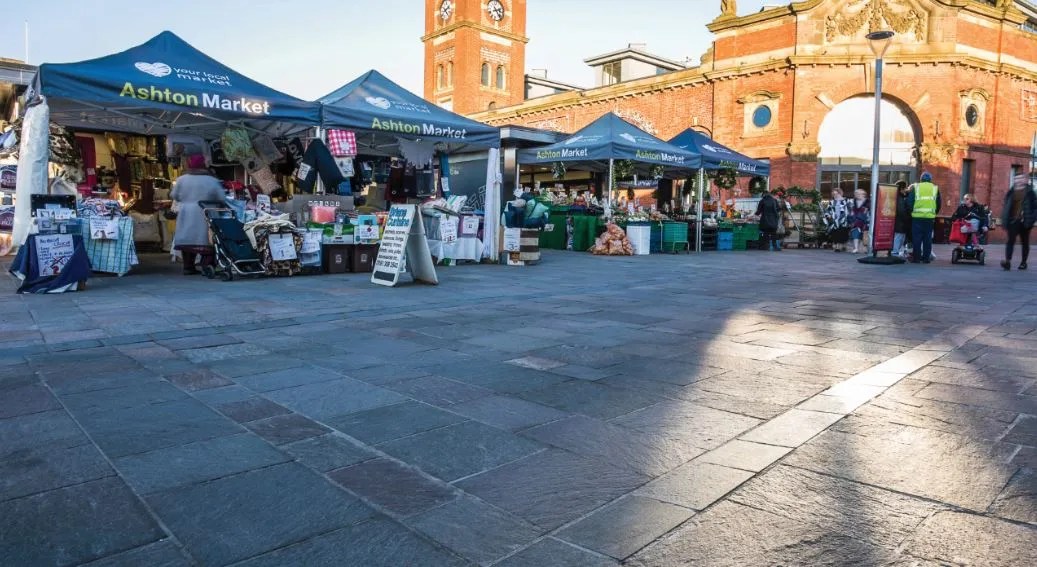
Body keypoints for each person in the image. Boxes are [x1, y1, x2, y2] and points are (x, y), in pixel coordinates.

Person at [170, 154, 225, 275]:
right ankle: (207, 265)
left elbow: (174, 196)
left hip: (186, 213)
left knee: (188, 239)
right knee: (207, 240)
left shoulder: (181, 179)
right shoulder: (212, 180)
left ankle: (188, 267)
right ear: (204, 165)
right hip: (206, 211)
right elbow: (221, 197)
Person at [1000, 174, 1037, 271]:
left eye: (1021, 178)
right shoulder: (1011, 192)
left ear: (1025, 180)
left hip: (1025, 221)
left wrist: (1032, 218)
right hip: (1013, 220)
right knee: (1010, 241)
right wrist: (1005, 219)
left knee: (1025, 242)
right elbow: (1006, 206)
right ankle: (1007, 262)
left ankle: (1023, 262)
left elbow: (1035, 207)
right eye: (1017, 178)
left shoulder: (1030, 192)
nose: (1018, 180)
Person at [908, 171, 940, 263]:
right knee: (927, 238)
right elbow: (938, 203)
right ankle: (926, 258)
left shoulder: (916, 187)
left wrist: (911, 212)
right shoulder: (935, 188)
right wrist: (933, 213)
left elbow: (910, 202)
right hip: (929, 218)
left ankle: (916, 258)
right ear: (930, 179)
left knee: (916, 238)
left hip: (917, 217)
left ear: (921, 179)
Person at [822, 187, 851, 252]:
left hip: (844, 220)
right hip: (835, 220)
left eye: (836, 194)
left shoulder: (847, 201)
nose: (835, 196)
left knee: (843, 232)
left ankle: (843, 245)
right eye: (833, 194)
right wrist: (828, 215)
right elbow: (827, 210)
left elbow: (851, 210)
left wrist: (851, 218)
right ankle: (837, 247)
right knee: (836, 233)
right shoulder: (832, 202)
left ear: (840, 193)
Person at [893, 180, 912, 257]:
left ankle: (895, 251)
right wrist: (907, 218)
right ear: (901, 188)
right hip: (900, 222)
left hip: (899, 222)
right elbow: (901, 210)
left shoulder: (898, 196)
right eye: (905, 188)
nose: (906, 189)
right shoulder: (899, 198)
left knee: (900, 237)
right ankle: (895, 252)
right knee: (899, 237)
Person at [848, 188, 871, 254]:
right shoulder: (853, 202)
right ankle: (856, 248)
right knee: (855, 234)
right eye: (856, 194)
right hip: (855, 221)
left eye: (858, 194)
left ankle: (866, 248)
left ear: (863, 194)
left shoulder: (868, 202)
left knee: (866, 235)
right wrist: (851, 217)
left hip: (866, 221)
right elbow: (850, 211)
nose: (857, 195)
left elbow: (870, 212)